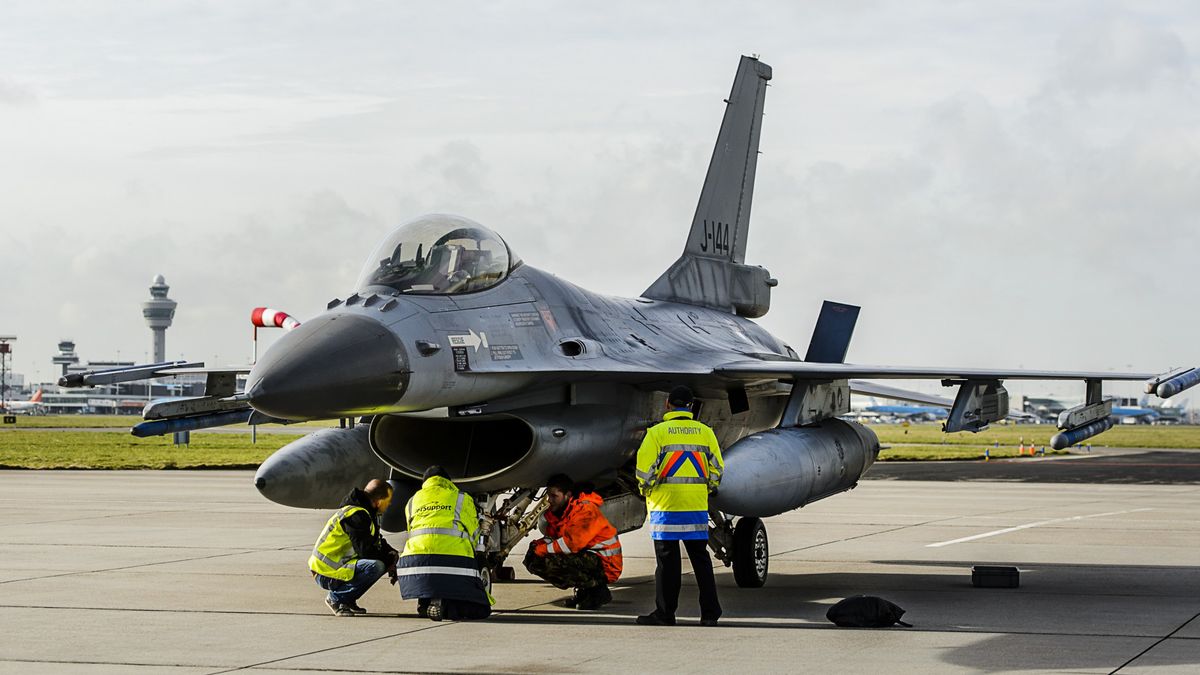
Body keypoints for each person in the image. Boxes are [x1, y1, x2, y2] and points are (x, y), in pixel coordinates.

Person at [634, 385, 724, 627]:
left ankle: (665, 613)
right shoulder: (705, 432)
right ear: (691, 406)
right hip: (695, 505)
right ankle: (710, 614)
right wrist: (707, 488)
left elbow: (644, 471)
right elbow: (717, 468)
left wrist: (645, 490)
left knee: (668, 563)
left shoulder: (657, 433)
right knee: (701, 560)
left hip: (666, 507)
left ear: (668, 405)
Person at [396, 465, 491, 621]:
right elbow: (474, 533)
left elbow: (410, 530)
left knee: (435, 575)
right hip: (454, 564)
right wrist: (477, 552)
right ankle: (447, 607)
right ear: (448, 481)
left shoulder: (413, 500)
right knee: (481, 610)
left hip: (413, 566)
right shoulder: (461, 498)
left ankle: (426, 602)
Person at [523, 474, 623, 610]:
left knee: (551, 561)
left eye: (554, 496)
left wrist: (543, 550)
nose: (549, 500)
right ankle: (585, 591)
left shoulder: (585, 510)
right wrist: (537, 545)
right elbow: (554, 537)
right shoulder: (559, 511)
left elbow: (570, 544)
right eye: (548, 496)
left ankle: (597, 591)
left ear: (567, 495)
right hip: (587, 556)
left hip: (605, 564)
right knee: (534, 560)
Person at [309, 478, 399, 617]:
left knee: (380, 563)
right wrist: (388, 562)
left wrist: (392, 554)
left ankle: (347, 600)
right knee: (376, 566)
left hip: (336, 567)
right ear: (379, 501)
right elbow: (365, 550)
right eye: (388, 500)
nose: (390, 504)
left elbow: (375, 540)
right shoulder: (356, 516)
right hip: (326, 572)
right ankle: (336, 598)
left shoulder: (365, 512)